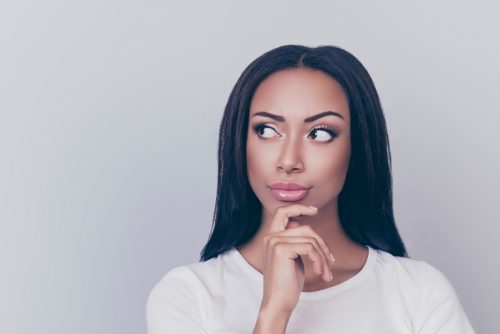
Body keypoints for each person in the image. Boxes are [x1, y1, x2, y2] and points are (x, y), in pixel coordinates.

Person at [146, 44, 476, 333]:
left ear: (357, 148)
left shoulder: (418, 293)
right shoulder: (188, 295)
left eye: (319, 133)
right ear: (239, 142)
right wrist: (274, 312)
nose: (289, 160)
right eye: (266, 130)